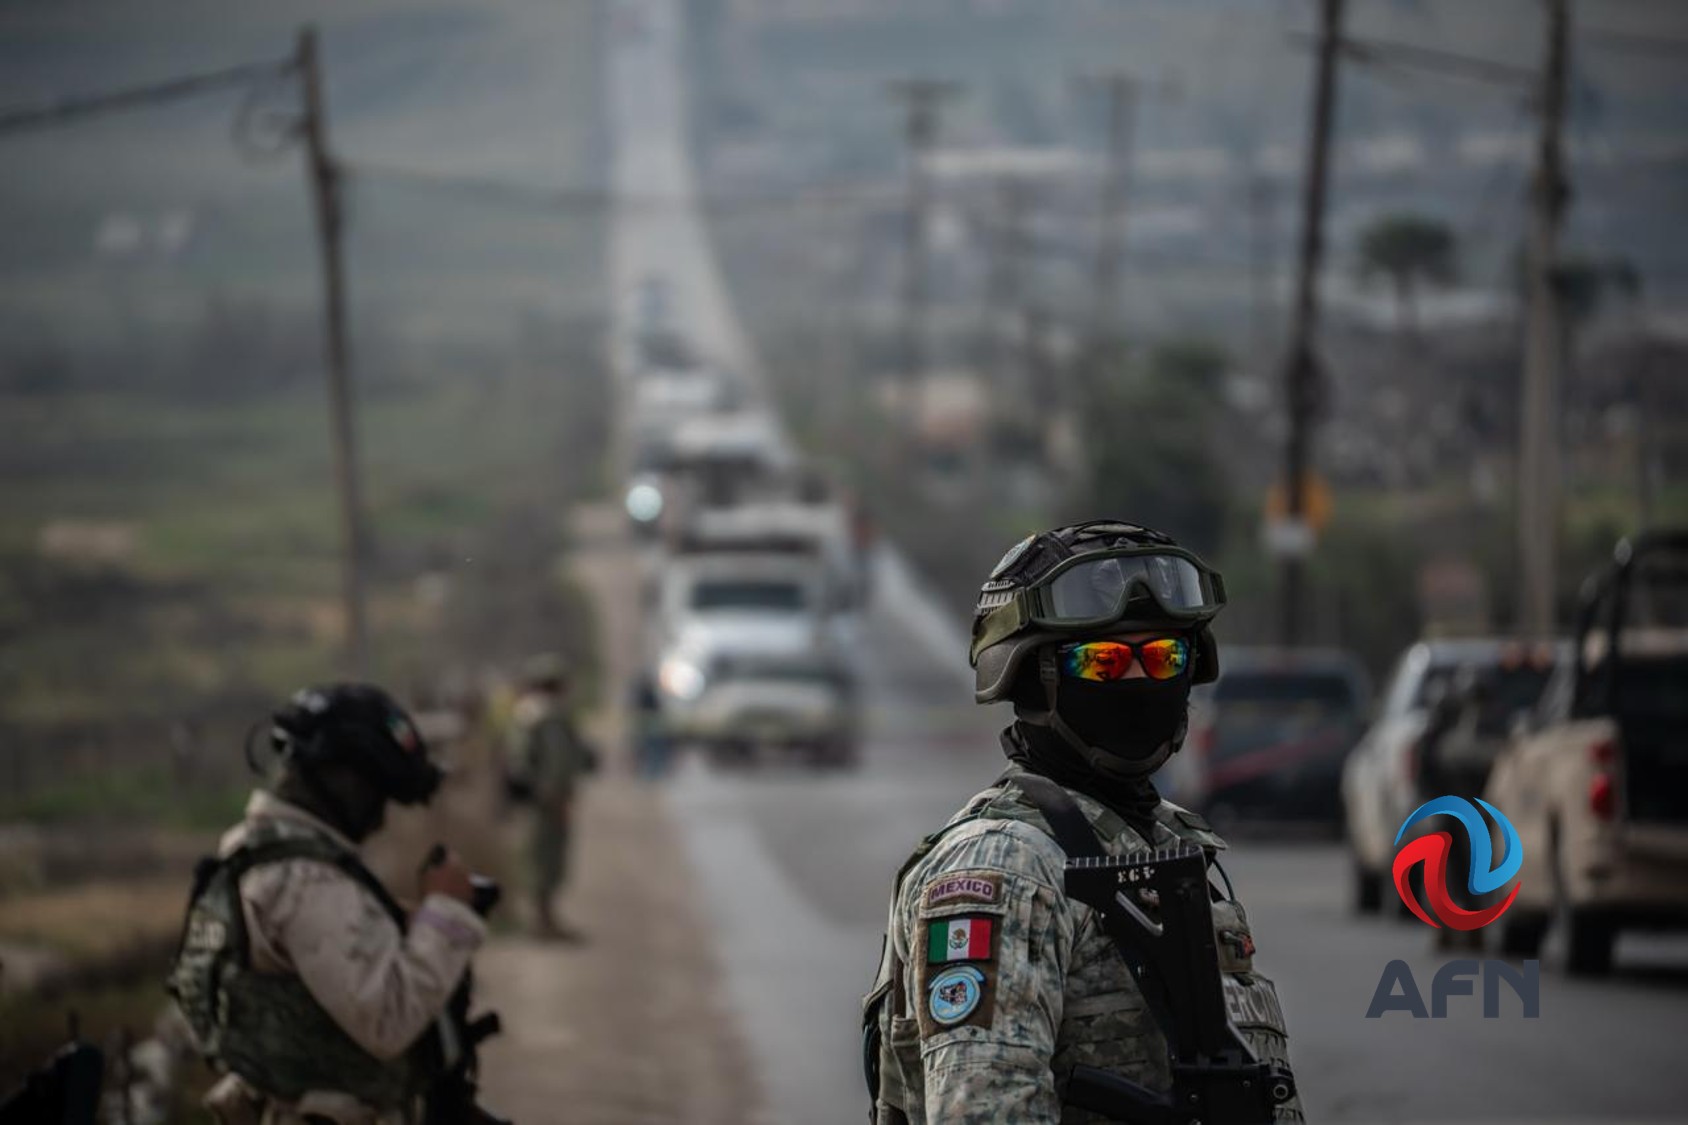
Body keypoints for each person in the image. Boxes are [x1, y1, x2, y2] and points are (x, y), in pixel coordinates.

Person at [863, 520, 1302, 1124]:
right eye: (1102, 662)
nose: (1140, 680)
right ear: (1029, 675)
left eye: (1163, 656)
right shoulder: (1008, 865)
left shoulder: (1163, 841)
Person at [167, 683, 489, 1125]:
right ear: (342, 778)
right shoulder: (306, 881)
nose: (378, 819)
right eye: (377, 795)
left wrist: (395, 922)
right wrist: (447, 911)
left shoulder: (250, 850)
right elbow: (388, 1019)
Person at [505, 653, 598, 937]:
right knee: (547, 859)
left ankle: (542, 920)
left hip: (532, 797)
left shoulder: (528, 711)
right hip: (547, 799)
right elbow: (556, 763)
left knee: (536, 857)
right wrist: (556, 797)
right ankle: (544, 923)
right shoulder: (551, 716)